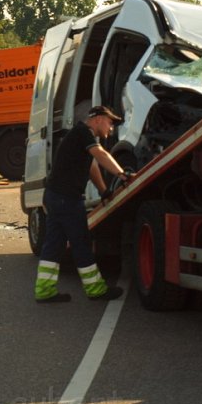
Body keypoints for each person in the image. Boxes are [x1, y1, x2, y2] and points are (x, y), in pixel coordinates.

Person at [34, 105, 134, 303]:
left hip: (55, 196)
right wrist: (122, 174)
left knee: (54, 244)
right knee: (81, 242)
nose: (111, 128)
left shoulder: (80, 136)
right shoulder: (83, 132)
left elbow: (92, 166)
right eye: (110, 122)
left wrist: (103, 190)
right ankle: (96, 289)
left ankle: (44, 290)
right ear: (97, 119)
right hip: (67, 199)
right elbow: (100, 155)